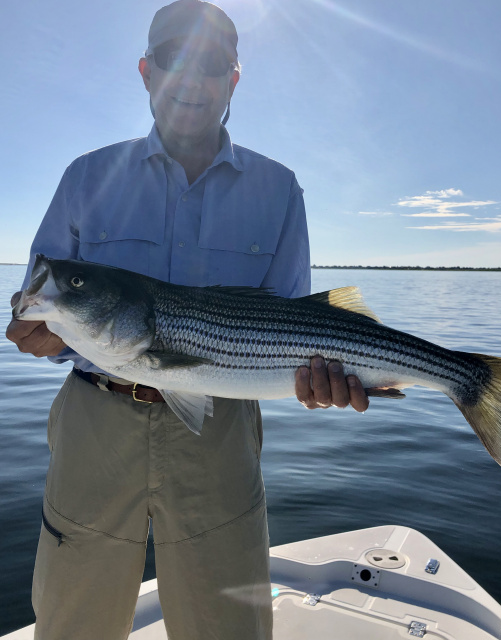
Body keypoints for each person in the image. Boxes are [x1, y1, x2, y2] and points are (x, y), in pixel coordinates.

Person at [6, 1, 369, 639]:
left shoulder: (279, 189)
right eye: (174, 60)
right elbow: (38, 303)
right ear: (146, 72)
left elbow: (293, 327)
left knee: (228, 625)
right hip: (96, 417)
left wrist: (318, 381)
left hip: (221, 429)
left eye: (210, 64)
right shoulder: (86, 177)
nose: (190, 80)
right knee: (72, 621)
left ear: (234, 78)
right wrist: (43, 336)